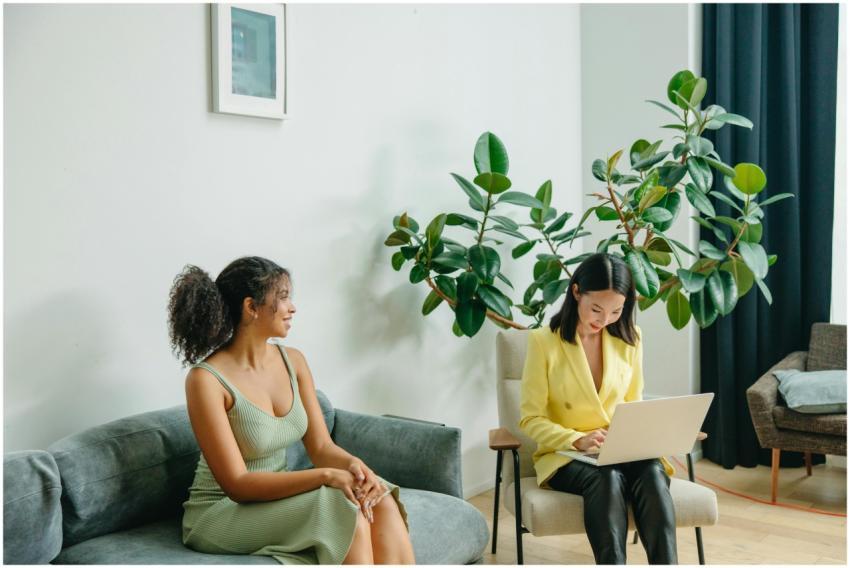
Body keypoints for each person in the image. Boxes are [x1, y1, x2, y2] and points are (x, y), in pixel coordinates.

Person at [167, 256, 414, 565]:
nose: (292, 307)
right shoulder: (206, 380)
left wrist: (356, 468)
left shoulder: (293, 361)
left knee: (380, 497)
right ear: (251, 307)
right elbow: (238, 485)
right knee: (343, 510)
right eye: (282, 297)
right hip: (221, 512)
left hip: (276, 501)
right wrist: (326, 477)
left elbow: (322, 447)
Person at [519, 252, 677, 564]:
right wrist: (576, 440)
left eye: (616, 311)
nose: (604, 320)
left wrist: (648, 435)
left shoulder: (631, 339)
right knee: (606, 477)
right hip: (566, 455)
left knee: (652, 472)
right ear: (576, 291)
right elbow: (530, 418)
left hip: (621, 449)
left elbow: (634, 405)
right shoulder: (543, 342)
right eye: (596, 309)